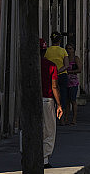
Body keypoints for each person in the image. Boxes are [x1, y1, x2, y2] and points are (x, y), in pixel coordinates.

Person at [40, 38, 63, 168]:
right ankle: (44, 159)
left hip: (31, 101)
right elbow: (54, 87)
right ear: (45, 51)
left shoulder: (27, 63)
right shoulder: (51, 66)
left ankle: (24, 152)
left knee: (26, 128)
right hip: (47, 100)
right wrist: (59, 105)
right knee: (48, 130)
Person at [44, 32, 69, 124]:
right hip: (62, 75)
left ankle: (52, 117)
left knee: (52, 95)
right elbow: (66, 65)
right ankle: (62, 119)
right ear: (60, 40)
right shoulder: (63, 51)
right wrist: (58, 71)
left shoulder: (47, 51)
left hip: (50, 75)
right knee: (62, 96)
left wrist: (53, 72)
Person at [64, 43, 81, 125]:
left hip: (73, 83)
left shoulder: (76, 58)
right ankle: (66, 118)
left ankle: (74, 119)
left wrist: (70, 72)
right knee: (67, 101)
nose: (68, 50)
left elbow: (79, 69)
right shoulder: (65, 58)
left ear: (73, 50)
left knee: (73, 100)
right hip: (66, 82)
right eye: (67, 48)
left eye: (70, 49)